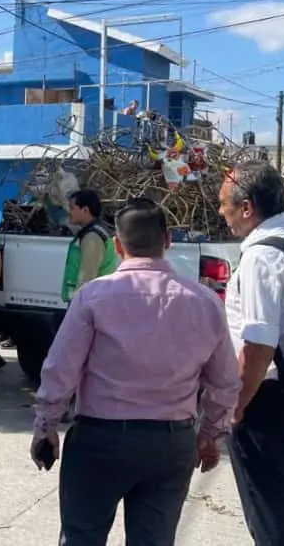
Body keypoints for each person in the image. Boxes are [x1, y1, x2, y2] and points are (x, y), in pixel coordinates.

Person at [31, 198, 241, 545]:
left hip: (100, 441)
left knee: (82, 538)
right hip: (170, 444)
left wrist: (46, 425)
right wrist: (210, 435)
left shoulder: (93, 297)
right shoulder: (204, 302)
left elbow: (60, 370)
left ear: (117, 245)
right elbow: (225, 383)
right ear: (168, 240)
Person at [217, 161, 284, 546]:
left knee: (269, 517)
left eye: (224, 203)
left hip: (266, 404)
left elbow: (259, 345)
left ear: (247, 207)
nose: (221, 212)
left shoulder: (262, 257)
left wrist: (235, 406)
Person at [62, 188, 119, 303]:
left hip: (89, 301)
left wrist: (79, 306)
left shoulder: (92, 237)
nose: (69, 212)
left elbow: (87, 278)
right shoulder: (95, 231)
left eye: (72, 208)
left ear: (85, 210)